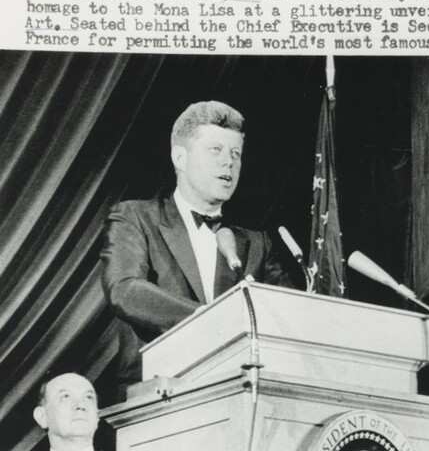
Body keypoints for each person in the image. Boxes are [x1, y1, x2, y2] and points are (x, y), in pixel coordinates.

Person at [100, 100, 292, 396]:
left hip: (237, 394)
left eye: (236, 153)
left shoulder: (258, 243)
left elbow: (287, 315)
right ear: (180, 157)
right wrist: (211, 321)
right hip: (158, 395)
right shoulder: (135, 217)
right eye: (215, 150)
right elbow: (125, 289)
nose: (228, 162)